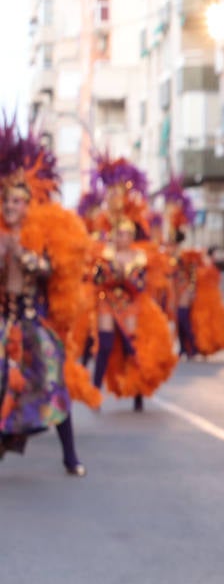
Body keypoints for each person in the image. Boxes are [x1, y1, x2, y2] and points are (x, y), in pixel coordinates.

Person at [0, 118, 98, 476]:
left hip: (32, 326)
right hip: (3, 325)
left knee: (54, 387)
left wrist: (21, 253)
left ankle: (70, 456)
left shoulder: (39, 235)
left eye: (16, 201)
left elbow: (49, 269)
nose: (10, 206)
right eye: (6, 200)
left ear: (27, 206)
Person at [84, 156, 177, 412]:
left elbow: (140, 284)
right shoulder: (103, 253)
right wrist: (114, 276)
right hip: (106, 302)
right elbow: (97, 279)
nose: (123, 237)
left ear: (132, 234)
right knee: (103, 346)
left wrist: (125, 278)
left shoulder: (140, 256)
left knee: (130, 347)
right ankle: (94, 392)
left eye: (127, 233)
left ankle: (137, 390)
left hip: (131, 305)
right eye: (119, 233)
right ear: (113, 233)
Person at [161, 176, 224, 362]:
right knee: (179, 318)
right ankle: (185, 348)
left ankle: (191, 346)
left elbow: (192, 269)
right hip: (175, 288)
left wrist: (191, 288)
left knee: (184, 317)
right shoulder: (169, 252)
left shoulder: (186, 252)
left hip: (184, 288)